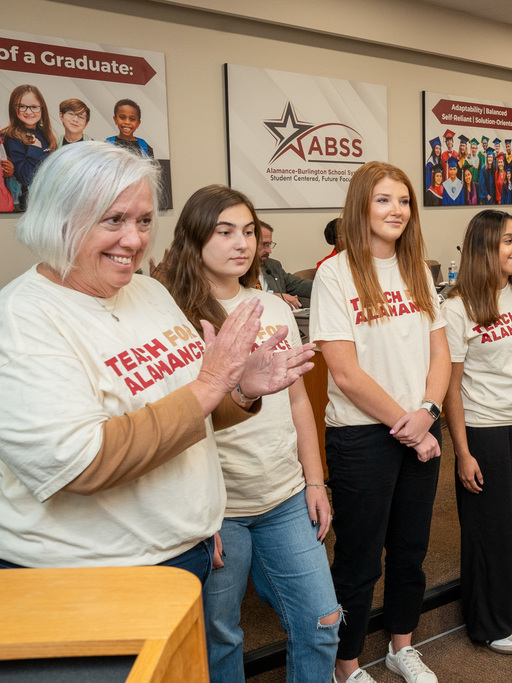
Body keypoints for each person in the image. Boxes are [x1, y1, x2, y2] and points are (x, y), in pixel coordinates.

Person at [0, 141, 313, 580]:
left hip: (186, 548)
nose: (135, 239)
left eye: (144, 220)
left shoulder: (147, 292)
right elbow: (83, 464)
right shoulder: (21, 320)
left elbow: (188, 411)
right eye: (114, 220)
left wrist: (238, 390)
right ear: (59, 218)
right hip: (95, 576)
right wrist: (211, 383)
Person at [160, 184, 339, 683]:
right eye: (224, 232)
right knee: (220, 639)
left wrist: (315, 481)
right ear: (194, 239)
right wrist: (199, 511)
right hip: (220, 510)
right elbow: (177, 423)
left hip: (283, 496)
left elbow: (299, 400)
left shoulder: (273, 306)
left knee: (322, 621)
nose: (241, 243)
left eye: (247, 232)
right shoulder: (171, 319)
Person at [310, 161, 450, 683]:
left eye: (404, 201)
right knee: (359, 558)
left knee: (411, 549)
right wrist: (406, 423)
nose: (397, 211)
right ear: (361, 207)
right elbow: (344, 372)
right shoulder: (335, 272)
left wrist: (429, 413)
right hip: (364, 435)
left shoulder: (418, 269)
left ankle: (401, 646)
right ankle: (346, 667)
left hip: (420, 424)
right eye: (384, 200)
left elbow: (441, 351)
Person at [442, 209, 512, 655]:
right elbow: (450, 390)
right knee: (493, 529)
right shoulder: (456, 307)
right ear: (484, 246)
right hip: (486, 429)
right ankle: (488, 622)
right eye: (508, 240)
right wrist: (462, 453)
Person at [1, 84, 58, 210]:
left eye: (34, 107)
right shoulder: (11, 137)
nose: (28, 112)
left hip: (48, 203)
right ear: (13, 108)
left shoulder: (46, 134)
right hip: (26, 208)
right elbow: (26, 178)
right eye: (22, 106)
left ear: (42, 108)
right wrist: (35, 148)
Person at [259, 223, 313, 309]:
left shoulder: (273, 266)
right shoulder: (237, 271)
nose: (269, 250)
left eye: (270, 244)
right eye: (265, 244)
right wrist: (272, 297)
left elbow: (296, 284)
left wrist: (327, 285)